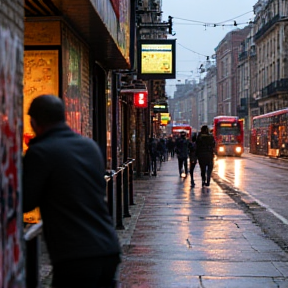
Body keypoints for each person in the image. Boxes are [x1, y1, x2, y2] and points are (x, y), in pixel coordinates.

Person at [23, 94, 121, 288]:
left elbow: (26, 201)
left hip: (75, 253)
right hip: (108, 247)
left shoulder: (41, 152)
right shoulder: (89, 146)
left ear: (34, 122)